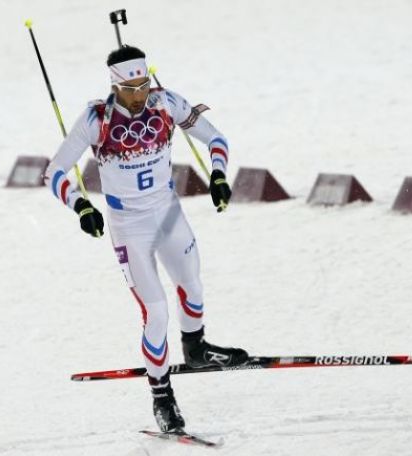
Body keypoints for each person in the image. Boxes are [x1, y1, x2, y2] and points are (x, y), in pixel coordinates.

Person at [44, 45, 249, 432]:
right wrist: (81, 207)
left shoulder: (166, 103)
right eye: (132, 88)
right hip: (128, 225)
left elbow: (216, 139)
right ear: (116, 86)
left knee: (192, 283)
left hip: (168, 212)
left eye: (144, 84)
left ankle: (196, 348)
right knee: (155, 312)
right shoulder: (95, 119)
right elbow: (54, 171)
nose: (141, 95)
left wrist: (218, 174)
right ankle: (162, 397)